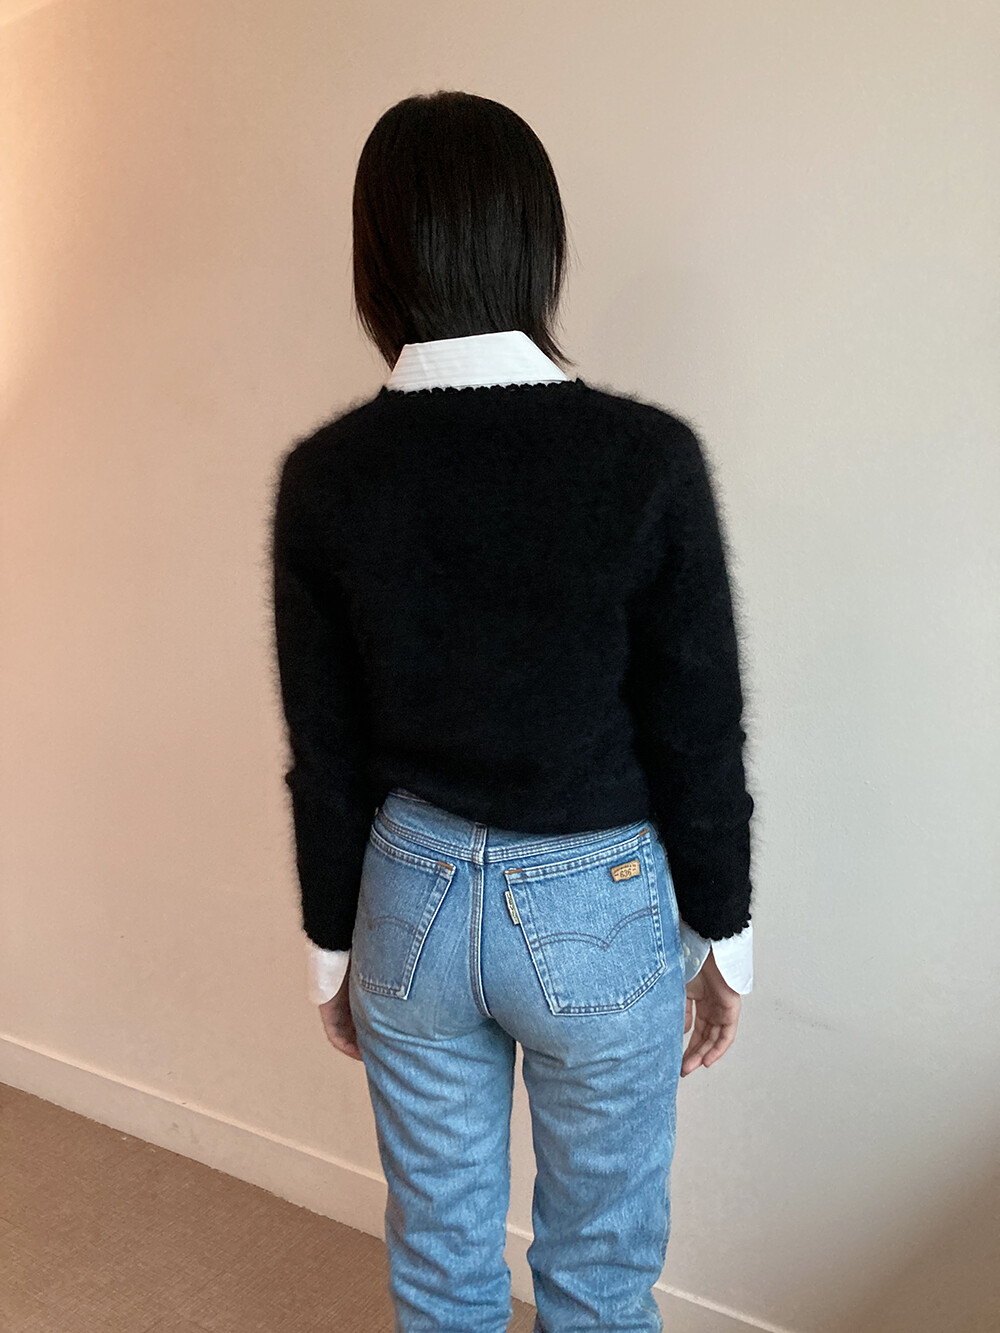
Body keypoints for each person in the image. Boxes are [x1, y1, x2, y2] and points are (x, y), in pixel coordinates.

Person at [271, 89, 755, 1333]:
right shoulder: (644, 458)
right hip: (598, 906)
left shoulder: (326, 477)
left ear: (377, 259)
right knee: (597, 1277)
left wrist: (332, 948)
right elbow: (696, 725)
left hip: (410, 900)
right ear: (538, 245)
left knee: (441, 1270)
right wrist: (723, 930)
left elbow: (325, 749)